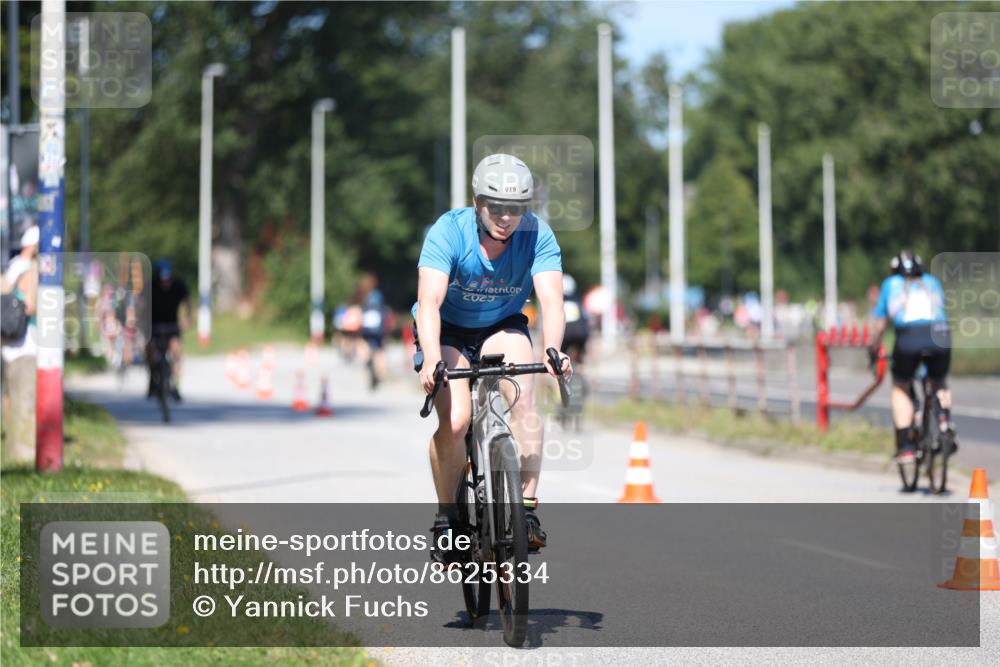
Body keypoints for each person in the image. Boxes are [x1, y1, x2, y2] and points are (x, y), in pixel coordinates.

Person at [413, 153, 571, 565]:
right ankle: (447, 519)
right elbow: (428, 303)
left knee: (525, 401)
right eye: (496, 207)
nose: (506, 217)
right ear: (477, 202)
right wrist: (431, 358)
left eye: (515, 208)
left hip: (501, 325)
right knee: (457, 420)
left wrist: (553, 349)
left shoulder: (537, 235)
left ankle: (527, 511)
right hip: (447, 330)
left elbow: (552, 302)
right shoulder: (449, 231)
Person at [869, 250, 953, 463]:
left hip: (909, 336)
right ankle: (944, 420)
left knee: (900, 386)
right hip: (940, 334)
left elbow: (880, 324)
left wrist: (874, 346)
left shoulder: (891, 284)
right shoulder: (932, 281)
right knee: (939, 381)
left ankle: (906, 446)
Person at [2, 226, 39, 463]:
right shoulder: (32, 270)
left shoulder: (11, 267)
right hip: (26, 344)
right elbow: (31, 306)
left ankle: (12, 450)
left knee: (10, 400)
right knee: (25, 403)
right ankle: (24, 458)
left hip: (6, 344)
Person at [147, 259, 192, 401]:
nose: (165, 282)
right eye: (162, 279)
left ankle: (175, 386)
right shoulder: (151, 286)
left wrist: (188, 318)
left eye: (167, 279)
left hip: (172, 324)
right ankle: (152, 377)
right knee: (150, 348)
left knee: (176, 351)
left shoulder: (179, 286)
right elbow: (141, 304)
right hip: (154, 324)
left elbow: (187, 301)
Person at [358, 273, 390, 390]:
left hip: (366, 328)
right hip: (378, 329)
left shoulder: (365, 296)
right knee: (380, 350)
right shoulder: (378, 295)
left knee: (362, 343)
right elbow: (384, 312)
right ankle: (381, 373)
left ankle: (366, 360)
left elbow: (362, 312)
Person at [559, 274, 590, 367]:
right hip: (581, 333)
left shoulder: (558, 301)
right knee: (580, 352)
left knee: (559, 355)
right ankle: (580, 361)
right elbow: (586, 317)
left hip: (566, 333)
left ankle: (561, 366)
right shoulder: (578, 300)